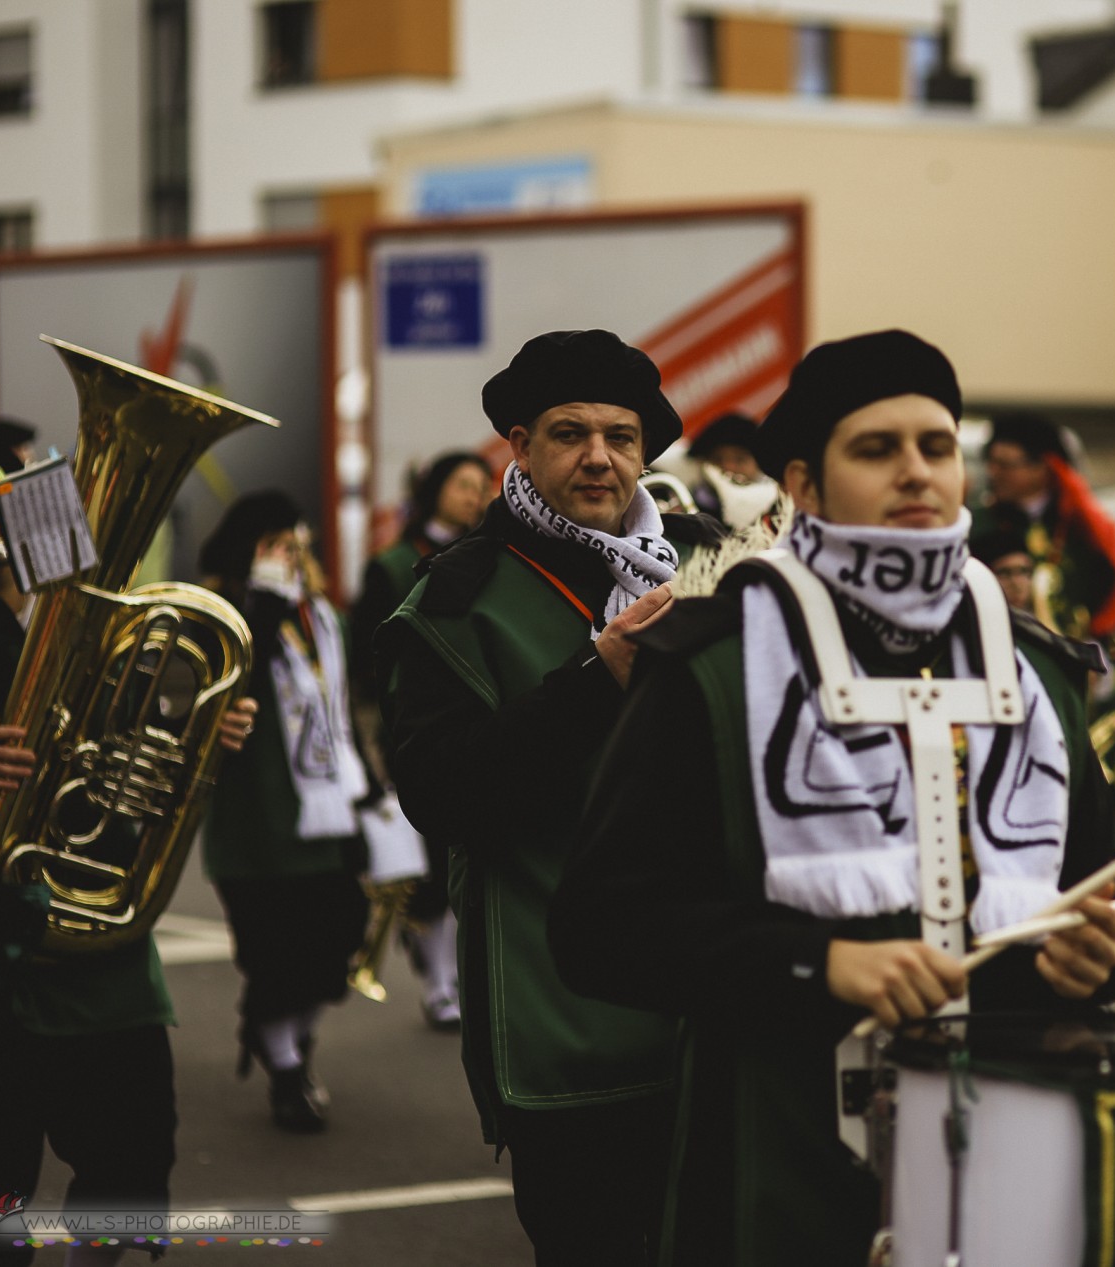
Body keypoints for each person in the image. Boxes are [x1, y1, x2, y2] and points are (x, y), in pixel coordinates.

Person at [548, 329, 1115, 1266]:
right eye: (877, 449)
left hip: (1014, 1154)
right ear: (807, 486)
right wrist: (818, 962)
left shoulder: (1038, 671)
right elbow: (599, 929)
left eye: (936, 446)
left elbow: (1104, 909)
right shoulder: (717, 664)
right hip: (783, 1160)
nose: (916, 473)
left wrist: (1098, 954)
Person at [377, 329, 723, 1267]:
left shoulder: (710, 558)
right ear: (519, 447)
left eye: (622, 433)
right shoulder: (460, 594)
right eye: (570, 432)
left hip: (717, 1012)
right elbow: (442, 797)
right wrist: (597, 672)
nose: (599, 456)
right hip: (566, 1030)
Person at [0, 424, 254, 1266]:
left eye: (3, 504)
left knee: (128, 1165)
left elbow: (138, 738)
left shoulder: (94, 607)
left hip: (97, 953)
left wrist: (204, 727)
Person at [199, 492, 370, 1134]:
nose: (290, 555)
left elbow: (341, 712)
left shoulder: (324, 617)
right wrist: (262, 606)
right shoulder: (222, 613)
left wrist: (372, 790)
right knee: (274, 954)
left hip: (325, 819)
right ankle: (284, 1063)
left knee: (334, 943)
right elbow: (226, 684)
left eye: (296, 542)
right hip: (257, 824)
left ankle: (289, 1041)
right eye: (274, 544)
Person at [349, 450, 492, 1030]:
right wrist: (381, 741)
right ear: (434, 490)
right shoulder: (392, 565)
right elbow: (371, 659)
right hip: (414, 730)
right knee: (429, 867)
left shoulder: (490, 557)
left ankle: (455, 975)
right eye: (463, 485)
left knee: (468, 855)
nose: (475, 496)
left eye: (482, 486)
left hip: (478, 728)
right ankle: (437, 981)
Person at [974, 410, 1115, 641]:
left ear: (1040, 468)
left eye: (1005, 465)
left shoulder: (1080, 529)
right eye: (991, 463)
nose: (993, 473)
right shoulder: (978, 525)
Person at [685, 411, 781, 529]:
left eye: (739, 459)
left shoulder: (781, 505)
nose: (728, 467)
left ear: (759, 462)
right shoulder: (689, 507)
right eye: (717, 459)